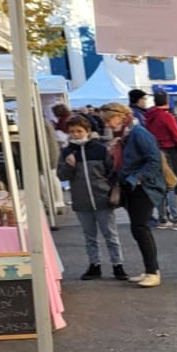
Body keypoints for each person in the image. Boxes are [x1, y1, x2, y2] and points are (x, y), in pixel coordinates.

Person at [99, 102, 165, 288]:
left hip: (142, 188)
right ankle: (150, 270)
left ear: (120, 116)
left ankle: (153, 272)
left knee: (140, 228)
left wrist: (137, 178)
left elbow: (154, 160)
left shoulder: (138, 133)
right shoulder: (128, 134)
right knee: (139, 229)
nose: (108, 125)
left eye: (109, 120)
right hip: (133, 186)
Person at [56, 116, 126, 281]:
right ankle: (94, 265)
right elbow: (61, 175)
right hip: (82, 201)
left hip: (102, 199)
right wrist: (69, 165)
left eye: (79, 131)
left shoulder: (99, 150)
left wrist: (109, 189)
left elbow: (111, 171)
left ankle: (118, 265)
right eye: (72, 131)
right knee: (89, 237)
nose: (76, 135)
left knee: (111, 235)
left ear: (87, 131)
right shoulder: (66, 152)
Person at [139, 92, 177, 229]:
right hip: (169, 151)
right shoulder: (166, 116)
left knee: (160, 185)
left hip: (155, 151)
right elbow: (176, 136)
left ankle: (162, 218)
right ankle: (176, 219)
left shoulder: (148, 117)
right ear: (167, 100)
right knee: (174, 183)